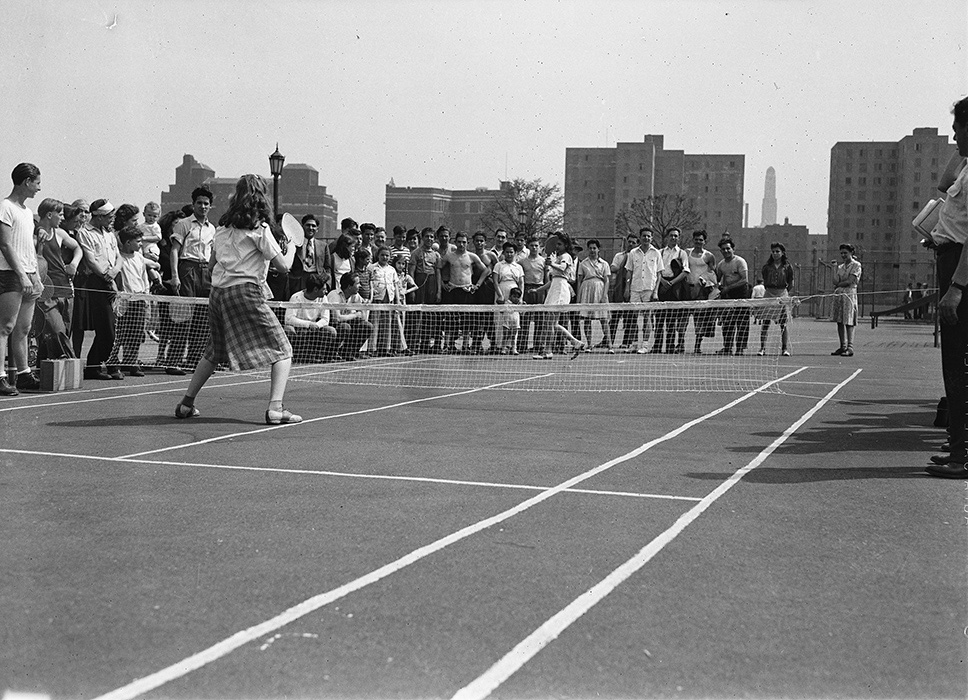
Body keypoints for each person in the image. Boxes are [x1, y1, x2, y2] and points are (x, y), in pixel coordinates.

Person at [173, 174, 302, 425]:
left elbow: (212, 266)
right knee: (283, 349)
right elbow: (284, 267)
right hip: (245, 292)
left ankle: (186, 404)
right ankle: (276, 408)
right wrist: (293, 248)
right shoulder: (260, 229)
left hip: (218, 294)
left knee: (213, 351)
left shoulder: (221, 228)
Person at [926, 95, 968, 478]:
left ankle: (963, 455)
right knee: (953, 367)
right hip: (951, 260)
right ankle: (959, 448)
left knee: (961, 366)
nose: (954, 137)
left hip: (961, 273)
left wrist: (956, 287)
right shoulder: (967, 169)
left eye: (958, 129)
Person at [0, 163, 43, 395]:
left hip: (28, 275)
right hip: (10, 274)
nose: (39, 188)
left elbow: (28, 248)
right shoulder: (5, 207)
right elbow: (5, 244)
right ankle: (0, 376)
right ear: (26, 182)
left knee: (24, 328)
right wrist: (20, 274)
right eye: (37, 182)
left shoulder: (27, 212)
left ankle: (24, 373)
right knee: (5, 327)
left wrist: (34, 275)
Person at [73, 198, 124, 378]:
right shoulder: (84, 233)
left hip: (111, 281)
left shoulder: (109, 233)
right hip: (96, 282)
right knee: (107, 328)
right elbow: (91, 259)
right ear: (99, 216)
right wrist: (105, 276)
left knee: (109, 327)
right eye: (109, 216)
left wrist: (114, 272)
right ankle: (108, 364)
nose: (112, 218)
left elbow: (118, 256)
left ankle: (94, 366)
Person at [169, 186, 216, 370]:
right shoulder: (184, 224)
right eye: (199, 203)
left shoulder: (212, 228)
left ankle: (194, 361)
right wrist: (175, 276)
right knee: (183, 318)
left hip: (206, 271)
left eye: (206, 204)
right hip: (187, 269)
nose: (202, 207)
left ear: (210, 206)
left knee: (203, 319)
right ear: (193, 204)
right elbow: (174, 250)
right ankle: (173, 362)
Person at [108, 226, 161, 375]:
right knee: (120, 333)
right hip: (124, 300)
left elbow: (144, 278)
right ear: (127, 242)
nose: (140, 244)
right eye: (137, 241)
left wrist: (146, 296)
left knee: (136, 334)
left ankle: (131, 362)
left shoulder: (138, 257)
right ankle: (113, 362)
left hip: (139, 299)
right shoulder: (118, 257)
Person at [35, 198, 82, 360]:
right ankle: (71, 364)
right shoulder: (33, 234)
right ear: (49, 215)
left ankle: (47, 372)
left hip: (66, 290)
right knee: (57, 332)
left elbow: (77, 248)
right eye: (60, 214)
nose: (62, 218)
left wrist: (73, 264)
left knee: (63, 334)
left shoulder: (60, 233)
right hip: (46, 292)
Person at [533, 232, 585, 359]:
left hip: (561, 290)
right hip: (555, 288)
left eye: (560, 244)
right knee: (553, 323)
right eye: (556, 244)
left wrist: (551, 264)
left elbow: (562, 268)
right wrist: (538, 290)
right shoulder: (557, 257)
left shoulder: (566, 256)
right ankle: (575, 342)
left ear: (566, 245)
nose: (557, 246)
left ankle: (548, 351)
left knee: (549, 322)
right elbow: (553, 280)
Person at [439, 231, 488, 354]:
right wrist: (442, 284)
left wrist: (477, 285)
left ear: (468, 243)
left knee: (468, 320)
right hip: (453, 290)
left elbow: (486, 270)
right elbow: (438, 268)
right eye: (459, 242)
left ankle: (466, 345)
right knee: (450, 319)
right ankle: (448, 345)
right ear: (455, 242)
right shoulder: (449, 256)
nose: (461, 245)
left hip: (467, 291)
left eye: (464, 242)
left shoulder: (472, 256)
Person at [624, 227, 664, 354]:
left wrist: (655, 291)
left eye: (648, 236)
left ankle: (645, 345)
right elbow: (629, 272)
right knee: (632, 317)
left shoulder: (656, 253)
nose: (646, 238)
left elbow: (659, 275)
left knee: (647, 317)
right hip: (635, 288)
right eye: (644, 236)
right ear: (640, 237)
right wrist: (627, 288)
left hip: (649, 289)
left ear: (652, 238)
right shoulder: (633, 253)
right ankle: (634, 343)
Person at [284, 272, 338, 363]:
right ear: (316, 289)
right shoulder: (296, 297)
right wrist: (308, 324)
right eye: (324, 289)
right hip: (299, 328)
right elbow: (289, 319)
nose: (326, 292)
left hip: (315, 329)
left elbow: (325, 319)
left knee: (331, 331)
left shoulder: (323, 298)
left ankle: (318, 356)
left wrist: (316, 325)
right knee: (288, 330)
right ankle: (291, 356)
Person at [653, 227, 690, 353]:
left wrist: (672, 282)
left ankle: (669, 346)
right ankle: (657, 346)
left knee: (671, 320)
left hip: (675, 287)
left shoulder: (682, 253)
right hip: (661, 285)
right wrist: (662, 281)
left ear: (679, 238)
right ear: (667, 237)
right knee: (659, 319)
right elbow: (656, 270)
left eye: (676, 236)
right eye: (671, 235)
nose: (673, 238)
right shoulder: (660, 252)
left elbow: (685, 271)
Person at [714, 236, 751, 355]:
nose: (726, 251)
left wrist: (728, 288)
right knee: (727, 323)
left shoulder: (740, 261)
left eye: (728, 249)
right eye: (723, 249)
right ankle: (727, 347)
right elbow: (717, 279)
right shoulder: (721, 264)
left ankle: (740, 348)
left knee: (742, 323)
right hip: (728, 296)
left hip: (741, 293)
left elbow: (744, 280)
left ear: (733, 249)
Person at [326, 271, 373, 360]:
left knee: (367, 326)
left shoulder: (355, 295)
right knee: (345, 327)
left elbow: (362, 313)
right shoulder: (334, 295)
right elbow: (337, 318)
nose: (360, 286)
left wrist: (358, 313)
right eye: (357, 283)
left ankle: (349, 352)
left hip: (347, 323)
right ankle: (331, 353)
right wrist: (354, 315)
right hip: (332, 325)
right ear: (349, 286)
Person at [757, 243, 794, 356]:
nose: (775, 253)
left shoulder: (787, 267)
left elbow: (791, 282)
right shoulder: (767, 267)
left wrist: (784, 293)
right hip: (769, 293)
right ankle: (762, 348)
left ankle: (784, 348)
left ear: (782, 253)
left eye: (777, 251)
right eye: (773, 251)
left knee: (783, 323)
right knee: (766, 322)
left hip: (782, 293)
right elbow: (765, 280)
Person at [684, 229, 718, 354]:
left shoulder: (709, 256)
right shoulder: (686, 252)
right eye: (696, 239)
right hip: (687, 289)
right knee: (684, 318)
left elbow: (713, 274)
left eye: (701, 240)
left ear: (705, 241)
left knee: (700, 319)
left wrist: (707, 283)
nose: (698, 242)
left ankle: (697, 345)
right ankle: (680, 344)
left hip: (701, 291)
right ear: (693, 240)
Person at [576, 238, 612, 353]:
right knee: (587, 319)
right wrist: (579, 297)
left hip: (600, 289)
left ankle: (610, 346)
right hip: (586, 289)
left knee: (603, 319)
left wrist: (604, 295)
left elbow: (607, 280)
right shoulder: (583, 263)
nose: (592, 250)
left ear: (598, 249)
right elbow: (579, 280)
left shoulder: (604, 264)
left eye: (594, 248)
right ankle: (589, 344)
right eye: (590, 248)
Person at [409, 227, 441, 352]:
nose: (429, 239)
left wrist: (438, 291)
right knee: (417, 314)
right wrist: (412, 289)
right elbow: (411, 272)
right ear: (422, 238)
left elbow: (438, 273)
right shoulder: (416, 253)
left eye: (432, 237)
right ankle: (414, 343)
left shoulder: (436, 255)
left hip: (432, 283)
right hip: (419, 282)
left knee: (429, 315)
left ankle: (426, 343)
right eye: (427, 236)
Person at [492, 241, 525, 353]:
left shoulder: (518, 267)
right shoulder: (498, 265)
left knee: (514, 321)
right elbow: (495, 281)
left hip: (514, 294)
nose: (509, 254)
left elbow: (521, 283)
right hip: (502, 292)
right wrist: (500, 295)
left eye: (511, 252)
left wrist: (520, 297)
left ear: (515, 253)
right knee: (501, 320)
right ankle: (501, 346)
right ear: (503, 253)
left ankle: (513, 346)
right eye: (507, 252)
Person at [830, 243, 862, 357]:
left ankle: (850, 347)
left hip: (849, 294)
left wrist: (839, 285)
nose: (843, 255)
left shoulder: (856, 265)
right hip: (839, 295)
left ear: (851, 253)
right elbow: (834, 281)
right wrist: (834, 268)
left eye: (846, 253)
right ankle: (842, 346)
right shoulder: (840, 267)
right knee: (840, 320)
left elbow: (850, 280)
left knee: (849, 321)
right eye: (842, 253)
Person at [609, 232, 638, 350]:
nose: (630, 244)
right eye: (629, 242)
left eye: (633, 242)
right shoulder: (619, 256)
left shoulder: (638, 256)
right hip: (619, 288)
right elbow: (613, 268)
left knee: (630, 317)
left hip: (632, 287)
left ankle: (627, 341)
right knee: (615, 316)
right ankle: (609, 340)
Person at [499, 286, 523, 354]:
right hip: (507, 322)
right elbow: (501, 311)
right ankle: (503, 348)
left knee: (514, 336)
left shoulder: (519, 305)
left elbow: (522, 313)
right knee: (505, 335)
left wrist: (523, 306)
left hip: (515, 323)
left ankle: (514, 349)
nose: (516, 298)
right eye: (514, 296)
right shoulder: (506, 303)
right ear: (510, 296)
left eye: (517, 297)